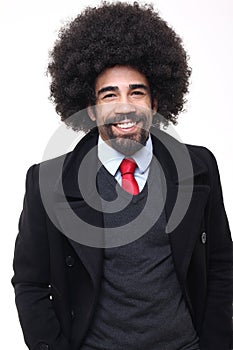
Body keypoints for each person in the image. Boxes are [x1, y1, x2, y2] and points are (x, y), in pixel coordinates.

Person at [12, 2, 232, 350]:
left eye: (137, 92)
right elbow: (30, 285)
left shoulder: (198, 166)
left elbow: (222, 268)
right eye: (109, 95)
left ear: (156, 102)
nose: (124, 107)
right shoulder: (47, 183)